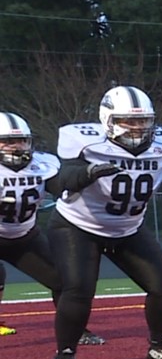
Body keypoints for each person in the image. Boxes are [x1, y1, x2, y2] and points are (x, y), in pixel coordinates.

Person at [49, 86, 162, 359]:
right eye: (129, 121)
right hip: (79, 225)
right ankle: (65, 353)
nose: (138, 128)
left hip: (127, 228)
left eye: (144, 121)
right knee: (79, 289)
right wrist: (87, 173)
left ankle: (159, 345)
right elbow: (62, 179)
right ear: (109, 120)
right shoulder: (86, 142)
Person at [0, 112, 104, 343]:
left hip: (24, 236)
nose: (17, 147)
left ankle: (74, 331)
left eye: (22, 140)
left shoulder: (43, 163)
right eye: (8, 141)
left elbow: (61, 187)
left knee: (64, 280)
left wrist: (85, 177)